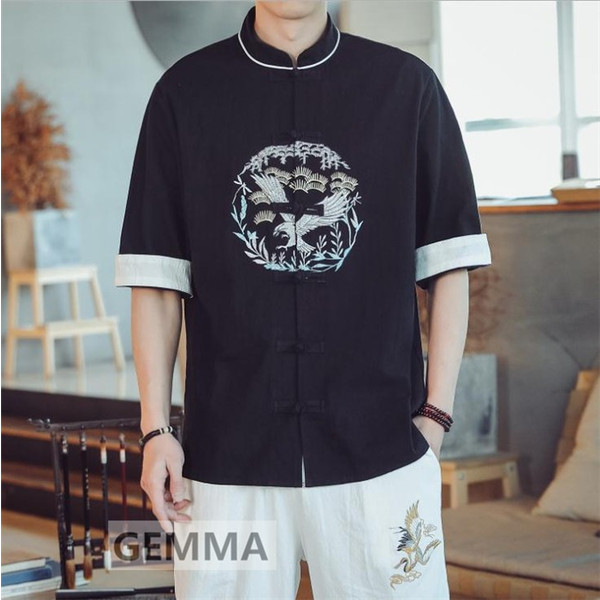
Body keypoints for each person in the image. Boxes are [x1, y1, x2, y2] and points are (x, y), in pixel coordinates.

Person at [114, 1, 492, 598]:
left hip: (381, 457)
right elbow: (157, 279)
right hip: (223, 467)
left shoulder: (407, 89)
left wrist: (436, 417)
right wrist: (156, 430)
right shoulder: (182, 94)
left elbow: (450, 265)